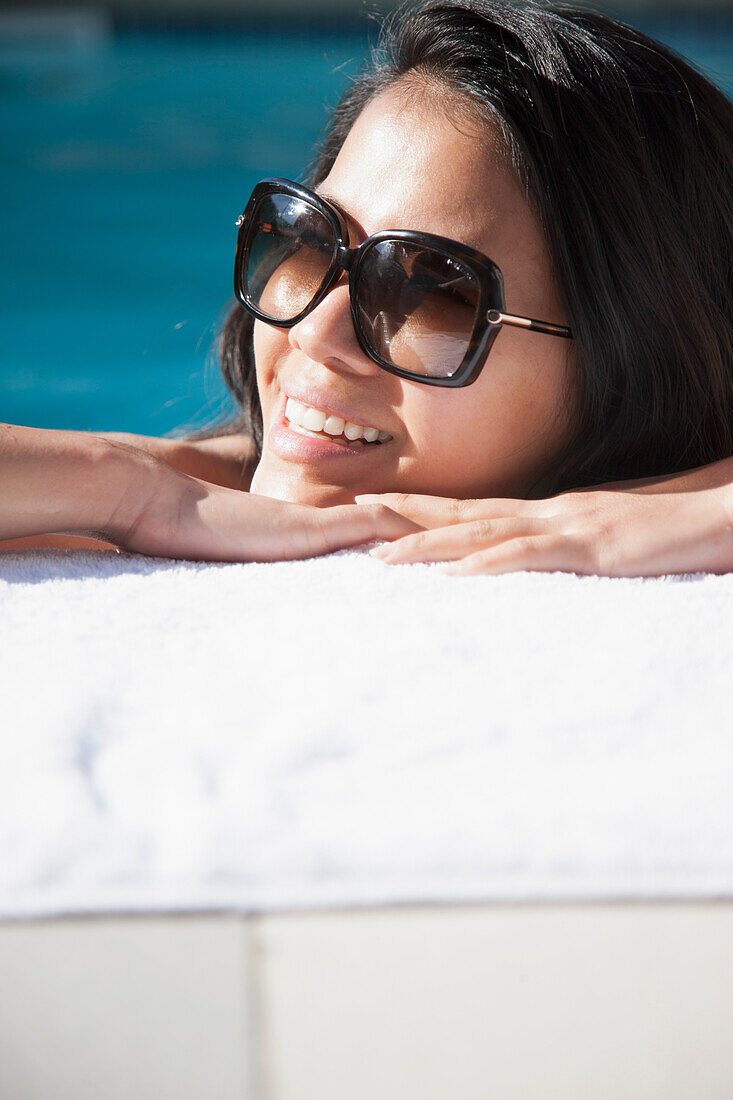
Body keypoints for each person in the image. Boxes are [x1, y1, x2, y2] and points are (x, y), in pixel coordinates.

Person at [1, 0, 731, 576]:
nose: (313, 332)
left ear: (636, 359)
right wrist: (124, 486)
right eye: (306, 240)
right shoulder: (168, 488)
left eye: (437, 294)